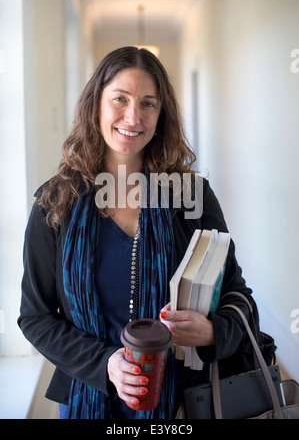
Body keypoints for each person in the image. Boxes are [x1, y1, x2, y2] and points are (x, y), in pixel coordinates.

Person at [18, 46, 255, 419]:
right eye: (120, 99)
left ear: (161, 115)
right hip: (89, 395)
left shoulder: (189, 197)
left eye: (148, 103)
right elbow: (35, 317)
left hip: (180, 403)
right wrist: (105, 362)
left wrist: (212, 332)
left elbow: (239, 296)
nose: (133, 116)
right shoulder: (54, 203)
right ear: (95, 103)